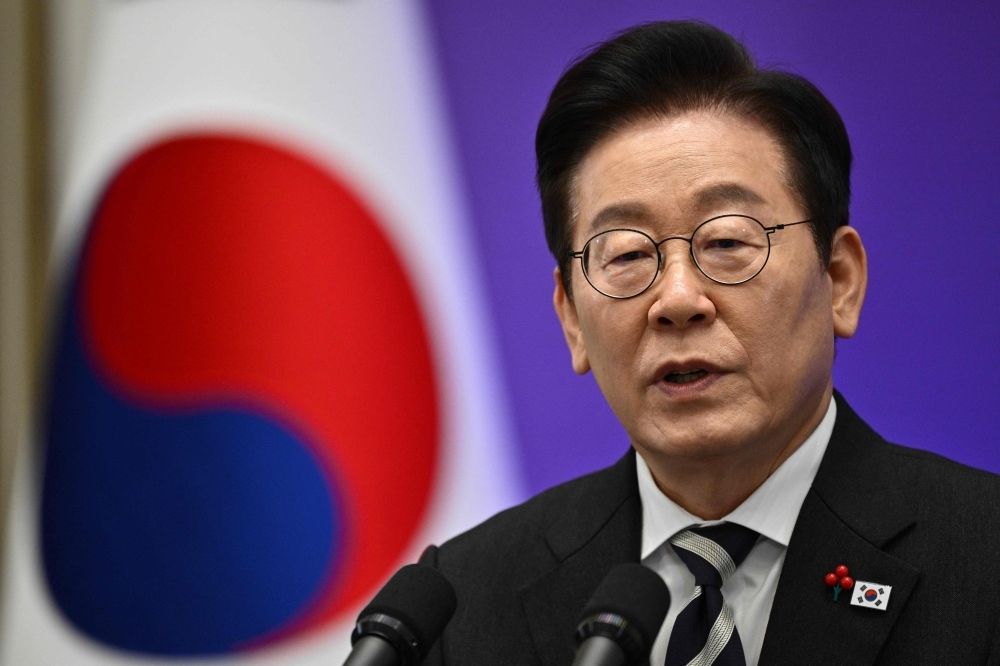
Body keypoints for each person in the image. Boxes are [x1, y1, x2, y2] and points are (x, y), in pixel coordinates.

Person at [419, 20, 1000, 665]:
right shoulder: (464, 604)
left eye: (726, 242)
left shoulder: (982, 558)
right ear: (572, 320)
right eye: (628, 255)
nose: (676, 300)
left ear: (839, 280)